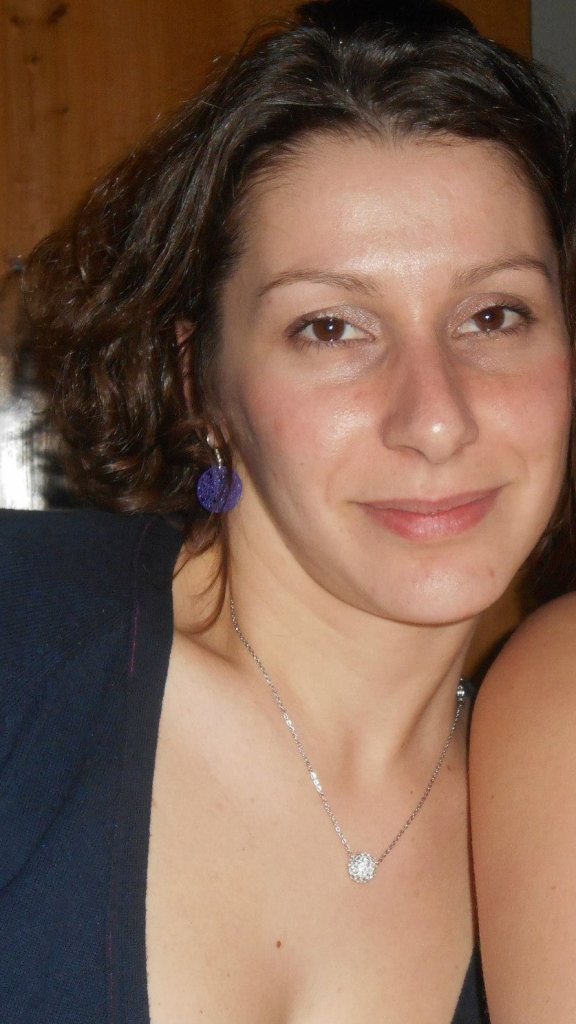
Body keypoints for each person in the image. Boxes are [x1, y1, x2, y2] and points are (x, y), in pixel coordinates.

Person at [0, 1, 573, 1021]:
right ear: (199, 384)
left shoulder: (544, 812)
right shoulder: (23, 634)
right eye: (331, 328)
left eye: (494, 315)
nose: (436, 418)